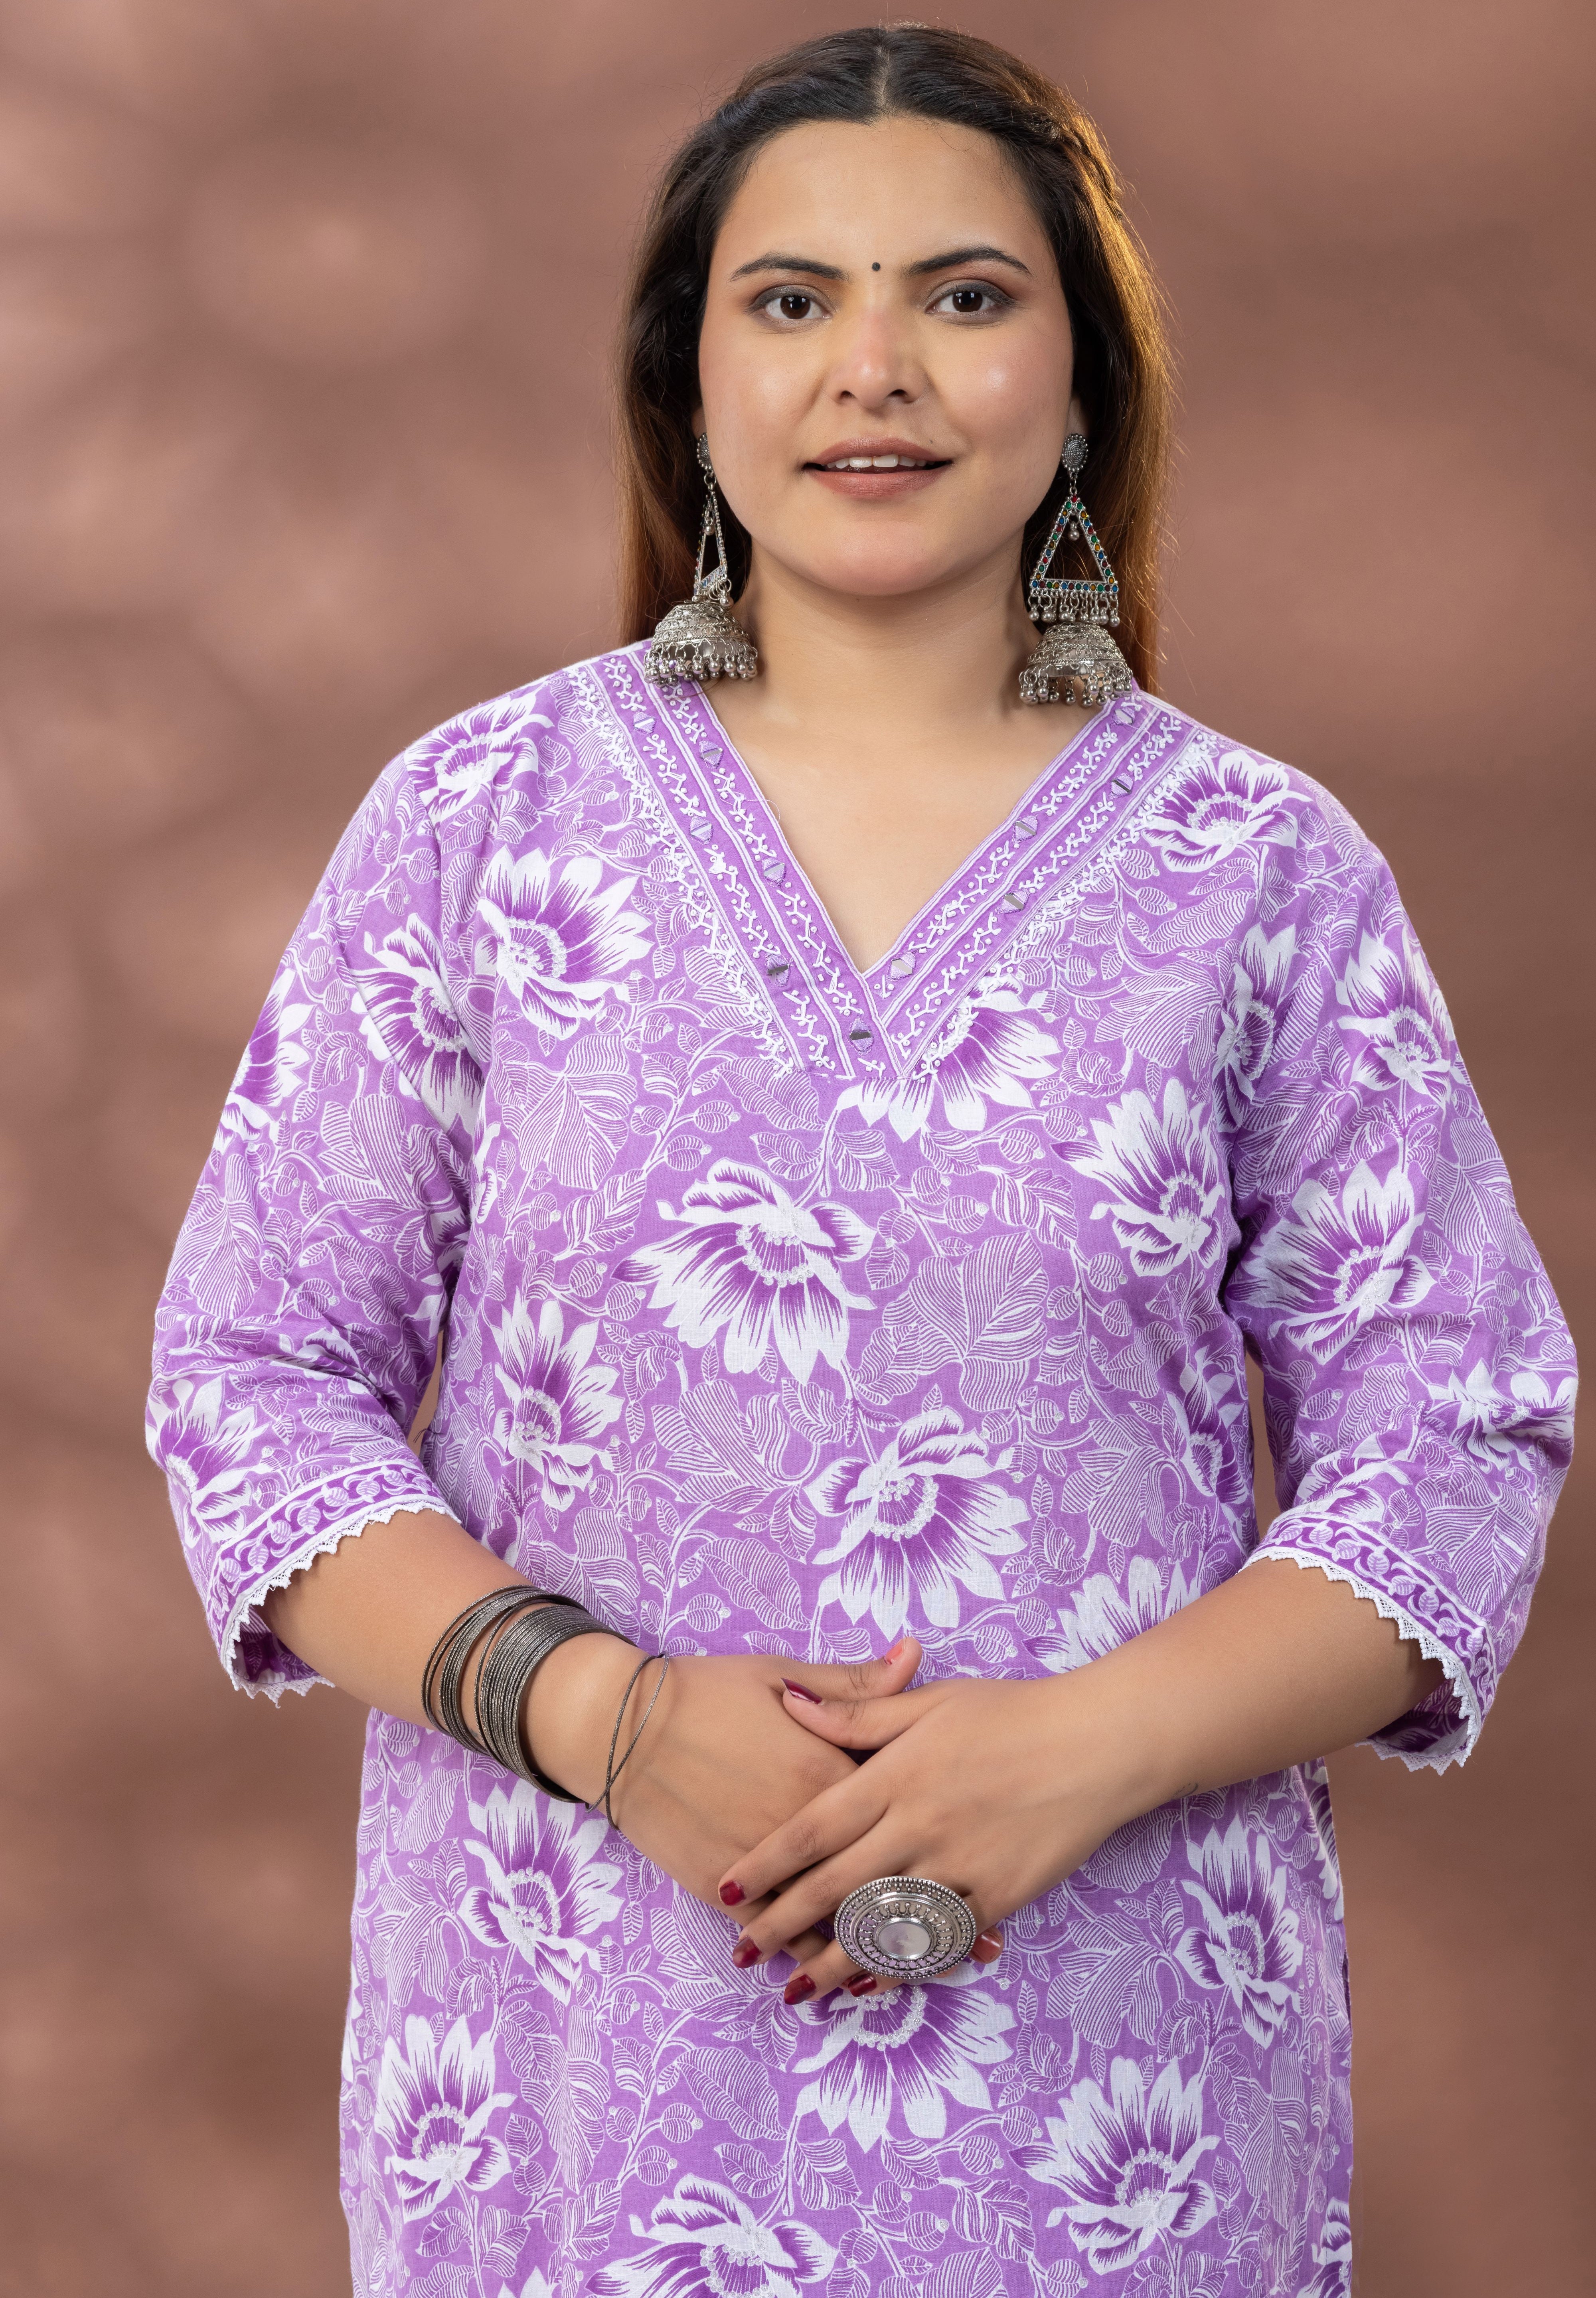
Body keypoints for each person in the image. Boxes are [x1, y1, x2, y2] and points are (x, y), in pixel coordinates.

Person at [148, 25, 1574, 2297]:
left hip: (1117, 2098)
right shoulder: (481, 827)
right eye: (793, 299)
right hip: (576, 2072)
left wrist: (1075, 1756)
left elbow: (1458, 1431)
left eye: (967, 296)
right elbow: (252, 1381)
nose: (873, 369)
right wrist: (605, 1720)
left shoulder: (1258, 873)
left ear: (1082, 380)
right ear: (688, 381)